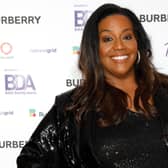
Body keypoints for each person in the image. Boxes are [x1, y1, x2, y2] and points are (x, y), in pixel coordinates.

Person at [17, 3, 168, 168]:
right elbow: (30, 160)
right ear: (94, 48)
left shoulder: (165, 90)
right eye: (107, 39)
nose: (119, 46)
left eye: (127, 37)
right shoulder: (73, 108)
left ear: (138, 43)